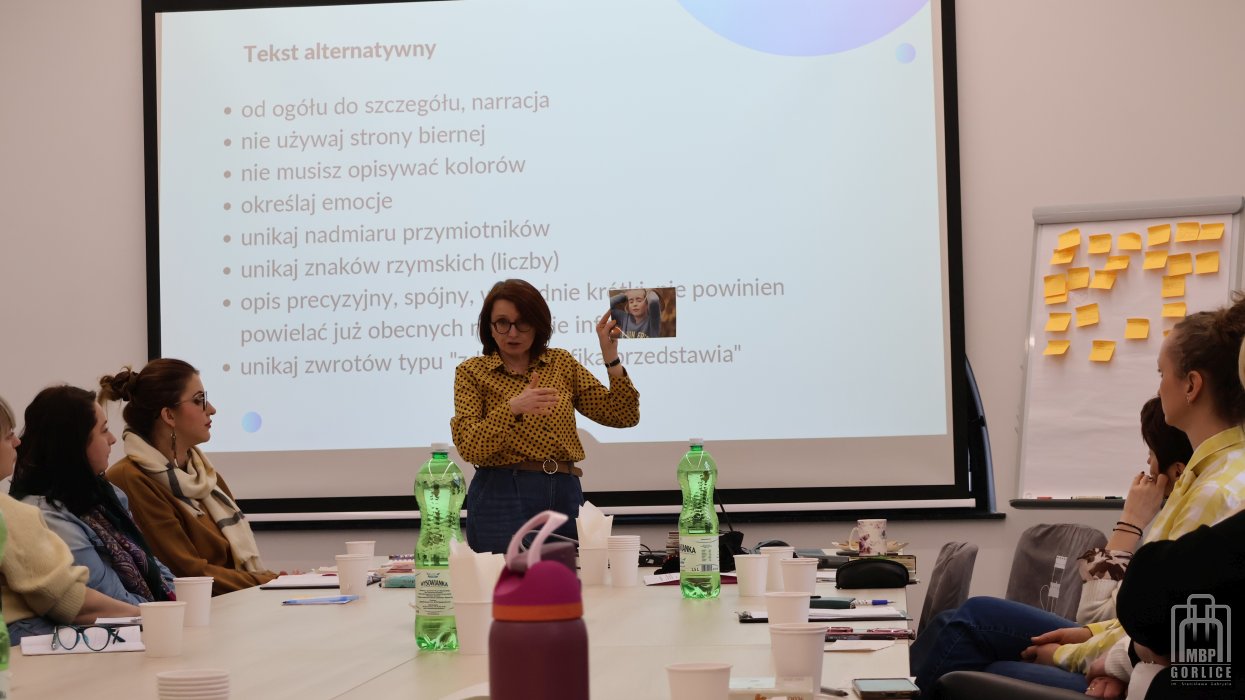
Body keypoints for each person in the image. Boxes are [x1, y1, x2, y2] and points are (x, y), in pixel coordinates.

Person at [910, 384, 1213, 693]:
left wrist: (1130, 523)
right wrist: (1086, 635)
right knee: (955, 621)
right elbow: (1110, 621)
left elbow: (1102, 613)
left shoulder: (1197, 515)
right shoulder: (1190, 509)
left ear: (1176, 472)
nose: (1146, 467)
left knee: (976, 625)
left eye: (1150, 456)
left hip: (1125, 661)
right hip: (1112, 643)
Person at [452, 279, 640, 553]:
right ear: (489, 328)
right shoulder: (472, 372)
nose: (512, 332)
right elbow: (470, 447)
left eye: (522, 322)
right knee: (502, 587)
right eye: (502, 323)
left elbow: (622, 415)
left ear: (538, 324)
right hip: (503, 492)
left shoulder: (560, 363)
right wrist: (513, 408)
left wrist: (611, 359)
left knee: (566, 585)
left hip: (564, 490)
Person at [99, 359, 278, 594]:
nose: (211, 409)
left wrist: (275, 581)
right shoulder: (129, 479)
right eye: (198, 400)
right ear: (169, 416)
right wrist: (271, 581)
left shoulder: (204, 475)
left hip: (231, 606)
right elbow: (187, 573)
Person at [10, 385, 175, 606]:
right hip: (116, 630)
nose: (113, 439)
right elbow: (109, 597)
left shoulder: (103, 492)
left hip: (145, 619)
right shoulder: (47, 515)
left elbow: (151, 563)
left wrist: (179, 598)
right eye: (104, 430)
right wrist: (168, 610)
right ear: (75, 443)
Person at [0, 393, 139, 643]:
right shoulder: (15, 513)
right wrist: (152, 616)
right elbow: (70, 601)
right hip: (19, 640)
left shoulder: (109, 494)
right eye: (8, 435)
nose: (17, 443)